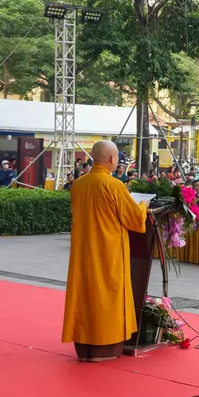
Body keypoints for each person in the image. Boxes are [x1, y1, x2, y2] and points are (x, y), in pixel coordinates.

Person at [61, 140, 149, 362]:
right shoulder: (114, 185)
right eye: (117, 157)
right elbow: (134, 219)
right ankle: (105, 347)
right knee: (107, 296)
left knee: (85, 295)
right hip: (108, 253)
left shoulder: (78, 184)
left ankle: (85, 348)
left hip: (84, 252)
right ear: (111, 158)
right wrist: (144, 206)